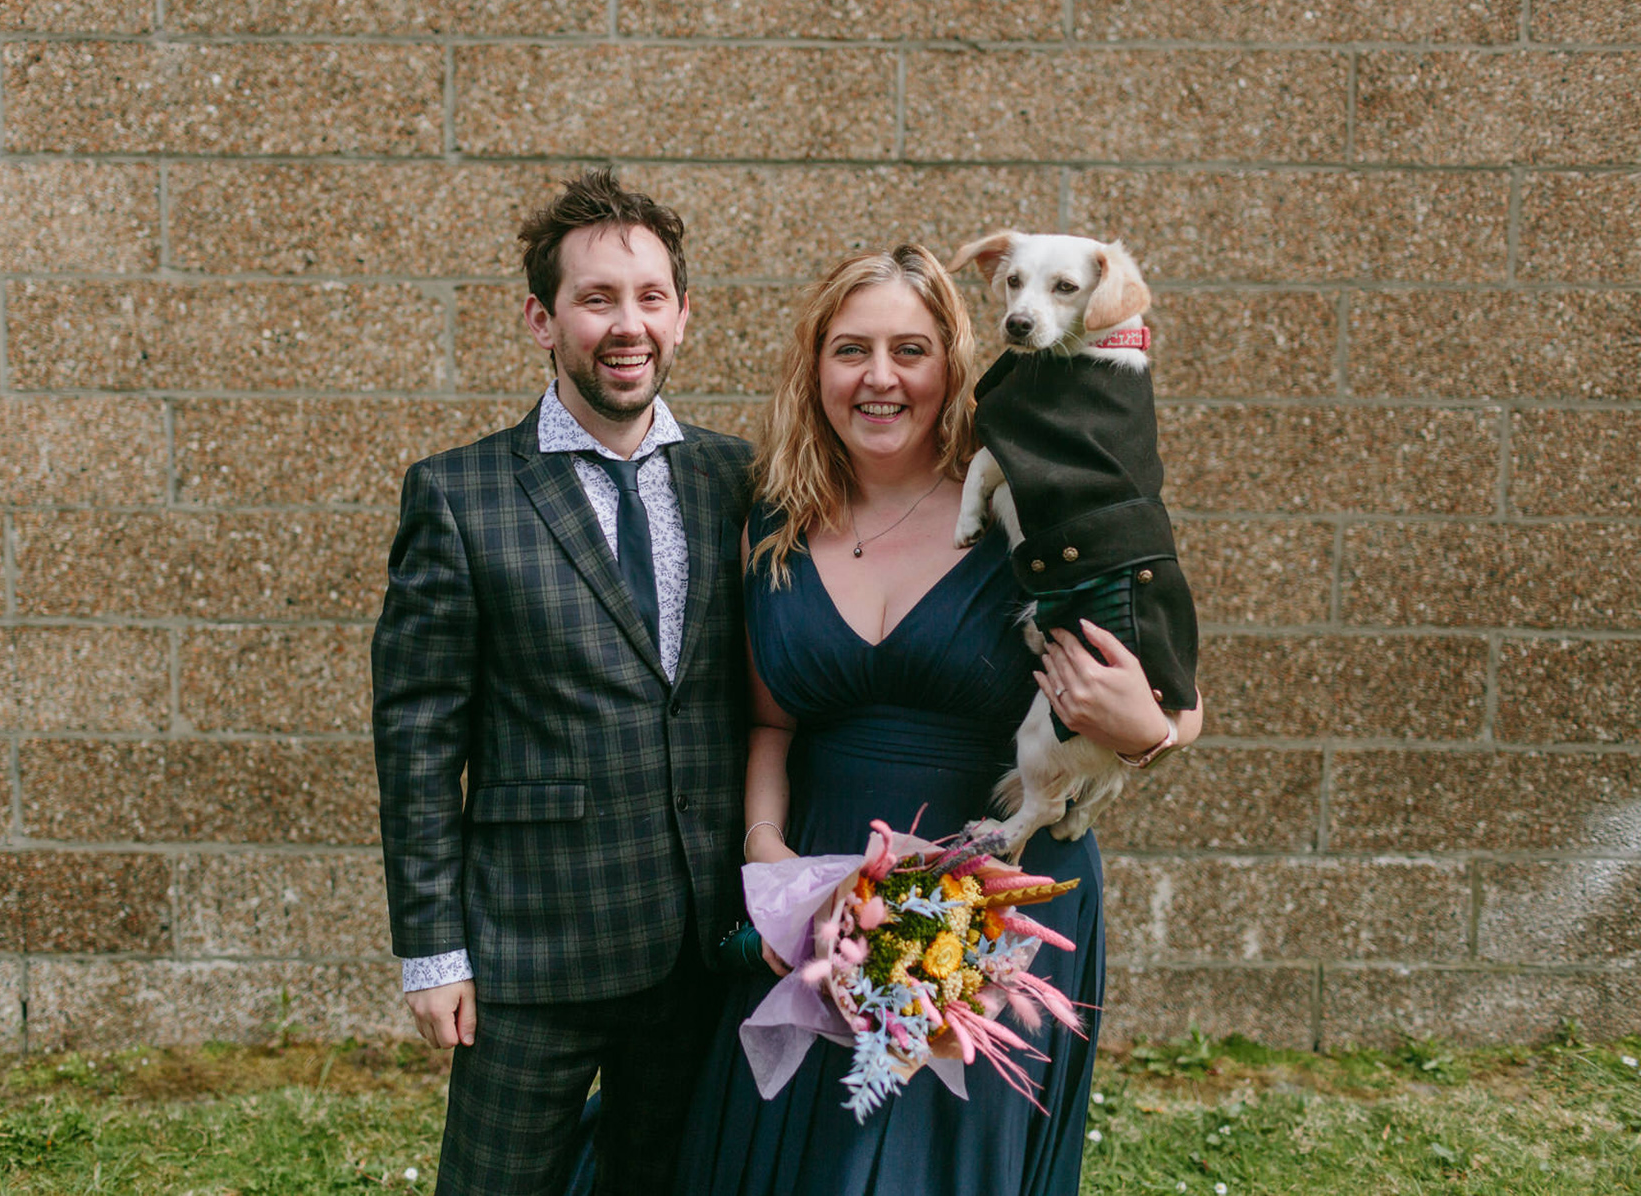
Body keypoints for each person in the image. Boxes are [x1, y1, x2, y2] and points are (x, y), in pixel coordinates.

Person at [673, 246, 1203, 1196]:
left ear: (953, 368)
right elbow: (770, 726)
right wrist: (769, 863)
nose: (880, 377)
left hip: (997, 907)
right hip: (821, 902)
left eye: (910, 351)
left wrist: (1145, 730)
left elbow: (1176, 699)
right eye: (851, 350)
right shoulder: (773, 523)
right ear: (815, 369)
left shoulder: (1027, 507)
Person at [371, 169, 754, 1196]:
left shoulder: (741, 481)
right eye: (596, 299)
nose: (627, 325)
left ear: (683, 314)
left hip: (702, 946)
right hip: (531, 951)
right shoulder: (459, 495)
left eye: (650, 297)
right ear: (543, 320)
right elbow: (417, 742)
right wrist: (433, 951)